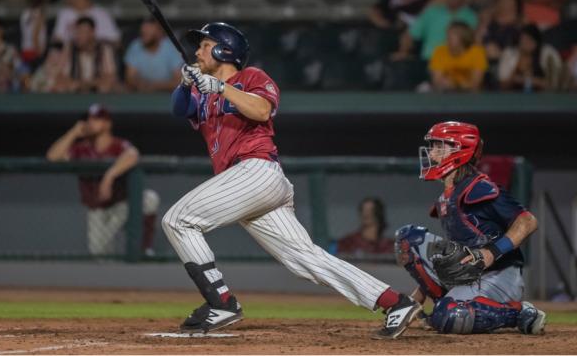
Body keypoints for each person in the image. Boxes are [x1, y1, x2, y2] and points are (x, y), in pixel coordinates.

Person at [165, 21, 421, 338]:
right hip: (246, 185)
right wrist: (184, 82)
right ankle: (396, 302)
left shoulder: (251, 77)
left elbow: (261, 110)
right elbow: (179, 109)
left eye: (204, 44)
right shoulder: (202, 92)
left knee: (178, 220)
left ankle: (221, 302)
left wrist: (218, 86)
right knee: (305, 259)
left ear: (224, 50)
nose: (198, 50)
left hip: (256, 172)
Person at [395, 121, 546, 335]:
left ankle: (521, 313)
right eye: (432, 146)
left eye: (440, 146)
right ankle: (445, 303)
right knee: (408, 239)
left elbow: (528, 221)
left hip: (500, 275)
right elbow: (450, 261)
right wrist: (413, 301)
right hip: (471, 276)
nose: (431, 152)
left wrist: (492, 252)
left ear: (460, 150)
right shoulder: (447, 197)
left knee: (448, 316)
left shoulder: (478, 187)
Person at [46, 104, 158, 257]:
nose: (91, 122)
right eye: (89, 119)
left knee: (150, 199)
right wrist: (73, 132)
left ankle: (144, 249)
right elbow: (53, 157)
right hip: (97, 210)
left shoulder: (117, 145)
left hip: (122, 205)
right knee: (99, 252)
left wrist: (109, 176)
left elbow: (133, 154)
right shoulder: (81, 149)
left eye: (97, 119)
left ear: (107, 123)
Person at [393, 0, 477, 62]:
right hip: (427, 63)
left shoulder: (471, 17)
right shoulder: (432, 12)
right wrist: (403, 51)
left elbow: (472, 46)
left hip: (455, 66)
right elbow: (409, 35)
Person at [53, 16, 118, 93]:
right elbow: (60, 74)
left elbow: (110, 76)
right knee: (60, 87)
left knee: (105, 87)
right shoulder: (69, 48)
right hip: (74, 89)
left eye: (82, 32)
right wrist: (76, 84)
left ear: (92, 33)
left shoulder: (104, 49)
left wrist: (89, 84)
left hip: (96, 88)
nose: (78, 36)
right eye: (76, 32)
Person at [123, 18, 184, 92]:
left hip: (167, 95)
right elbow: (130, 78)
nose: (144, 36)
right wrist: (139, 84)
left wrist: (154, 86)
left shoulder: (171, 48)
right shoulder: (135, 46)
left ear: (159, 33)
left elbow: (178, 81)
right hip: (141, 94)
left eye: (148, 33)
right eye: (143, 33)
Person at [498, 24, 563, 92]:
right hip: (514, 97)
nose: (526, 43)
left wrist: (526, 80)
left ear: (536, 41)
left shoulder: (548, 53)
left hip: (543, 98)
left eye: (529, 40)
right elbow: (503, 85)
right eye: (523, 40)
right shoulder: (509, 53)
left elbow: (555, 84)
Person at [52, 0, 121, 46]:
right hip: (69, 55)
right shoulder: (64, 13)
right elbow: (57, 40)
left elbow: (116, 42)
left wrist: (90, 43)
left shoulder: (101, 14)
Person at [427, 22, 487, 92]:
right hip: (445, 94)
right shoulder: (440, 51)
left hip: (471, 96)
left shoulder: (477, 52)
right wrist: (447, 84)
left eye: (453, 35)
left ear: (464, 37)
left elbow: (476, 83)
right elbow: (437, 81)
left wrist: (456, 85)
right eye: (448, 35)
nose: (448, 38)